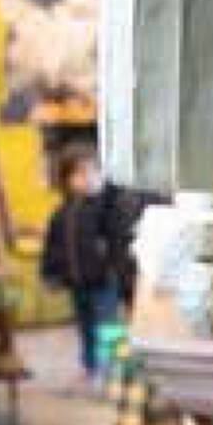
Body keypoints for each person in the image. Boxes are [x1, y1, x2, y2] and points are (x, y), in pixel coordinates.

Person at [40, 148, 134, 381]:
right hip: (76, 282)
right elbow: (53, 247)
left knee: (109, 325)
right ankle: (90, 366)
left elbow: (118, 230)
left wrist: (106, 187)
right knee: (85, 326)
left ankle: (115, 369)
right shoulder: (61, 213)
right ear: (66, 179)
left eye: (92, 171)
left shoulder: (106, 206)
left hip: (104, 280)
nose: (86, 178)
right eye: (79, 173)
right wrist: (50, 273)